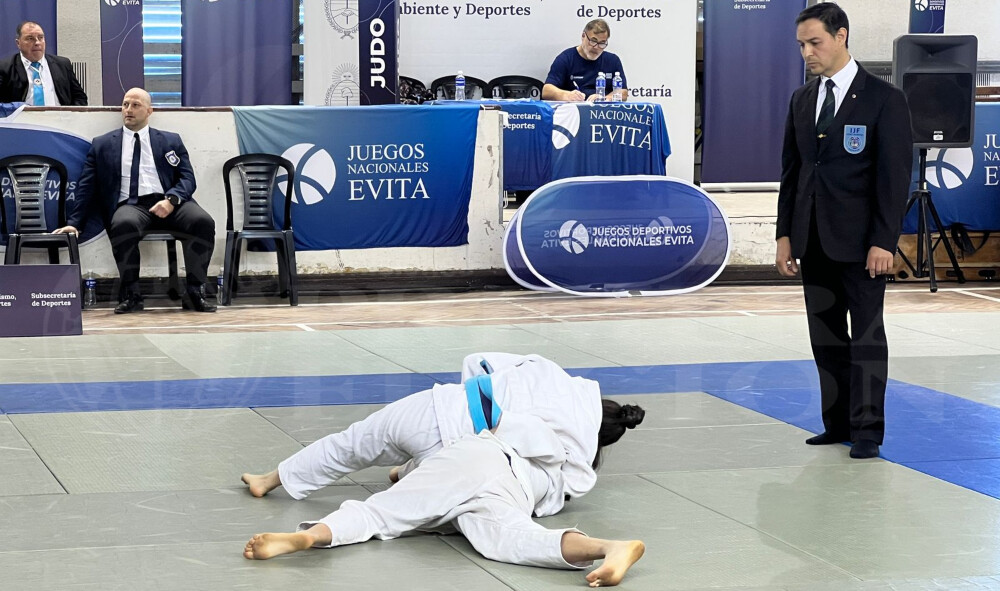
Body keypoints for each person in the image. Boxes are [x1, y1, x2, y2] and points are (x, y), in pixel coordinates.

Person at [242, 352, 645, 518]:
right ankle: (409, 472)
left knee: (350, 445)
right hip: (462, 456)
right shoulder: (577, 450)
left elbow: (477, 360)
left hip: (433, 411)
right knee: (410, 504)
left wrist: (471, 396)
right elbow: (560, 488)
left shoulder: (548, 370)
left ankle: (270, 480)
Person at [243, 432, 646, 588]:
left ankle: (307, 537)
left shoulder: (520, 434)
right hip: (512, 492)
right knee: (514, 540)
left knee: (381, 513)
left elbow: (397, 476)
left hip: (477, 462)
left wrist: (402, 473)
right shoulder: (563, 482)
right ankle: (607, 547)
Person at [775, 3, 913, 459]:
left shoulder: (884, 98)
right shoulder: (801, 99)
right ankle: (836, 423)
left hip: (862, 244)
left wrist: (883, 241)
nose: (807, 53)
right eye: (801, 45)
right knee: (826, 336)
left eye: (814, 43)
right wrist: (784, 235)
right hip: (812, 239)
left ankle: (868, 430)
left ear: (841, 36)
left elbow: (893, 178)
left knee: (866, 337)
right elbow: (792, 173)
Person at [54, 88, 217, 313]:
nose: (128, 110)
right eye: (125, 104)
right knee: (123, 224)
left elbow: (187, 178)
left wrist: (171, 200)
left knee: (203, 222)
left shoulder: (170, 140)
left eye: (135, 105)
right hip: (131, 205)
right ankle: (131, 295)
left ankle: (194, 292)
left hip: (169, 201)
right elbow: (86, 186)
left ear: (149, 111)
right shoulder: (102, 144)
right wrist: (75, 223)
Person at [0, 21, 87, 105]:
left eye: (40, 37)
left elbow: (80, 97)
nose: (37, 42)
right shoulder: (4, 67)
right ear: (18, 43)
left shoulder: (63, 64)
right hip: (21, 115)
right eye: (30, 38)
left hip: (58, 114)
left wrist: (70, 114)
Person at [542, 19, 628, 102]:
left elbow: (623, 92)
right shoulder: (566, 58)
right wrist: (567, 95)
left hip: (603, 110)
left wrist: (605, 98)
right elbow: (546, 91)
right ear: (583, 36)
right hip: (574, 109)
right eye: (593, 41)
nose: (596, 47)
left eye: (602, 43)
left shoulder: (612, 60)